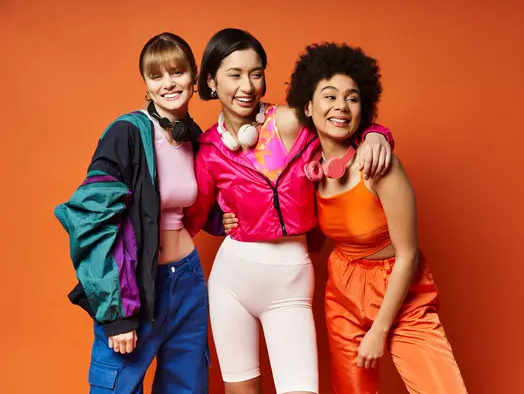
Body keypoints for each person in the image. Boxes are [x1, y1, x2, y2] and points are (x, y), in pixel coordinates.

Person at [183, 28, 395, 394]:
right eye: (234, 74)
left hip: (291, 279)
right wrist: (219, 221)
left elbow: (339, 115)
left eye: (256, 72)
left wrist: (378, 134)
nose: (247, 85)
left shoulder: (290, 120)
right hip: (231, 280)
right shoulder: (207, 147)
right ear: (212, 81)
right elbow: (194, 215)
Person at [280, 42, 469, 394]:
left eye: (352, 98)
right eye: (330, 96)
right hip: (343, 291)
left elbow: (408, 255)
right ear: (308, 105)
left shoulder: (380, 165)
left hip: (401, 288)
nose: (341, 106)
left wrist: (380, 329)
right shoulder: (309, 169)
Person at [54, 32, 218, 394]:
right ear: (146, 85)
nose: (168, 83)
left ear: (194, 78)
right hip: (137, 288)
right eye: (156, 75)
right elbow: (91, 222)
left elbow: (205, 203)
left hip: (188, 281)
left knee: (186, 388)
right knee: (117, 387)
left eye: (176, 72)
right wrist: (117, 314)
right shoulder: (127, 133)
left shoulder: (195, 138)